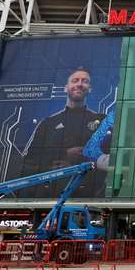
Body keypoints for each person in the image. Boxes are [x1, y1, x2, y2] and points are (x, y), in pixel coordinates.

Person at [22, 67, 110, 197]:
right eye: (75, 80)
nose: (79, 84)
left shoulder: (103, 121)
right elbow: (29, 160)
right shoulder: (48, 123)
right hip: (52, 193)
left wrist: (83, 157)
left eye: (84, 81)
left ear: (89, 89)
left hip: (91, 194)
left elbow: (112, 157)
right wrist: (63, 156)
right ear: (66, 87)